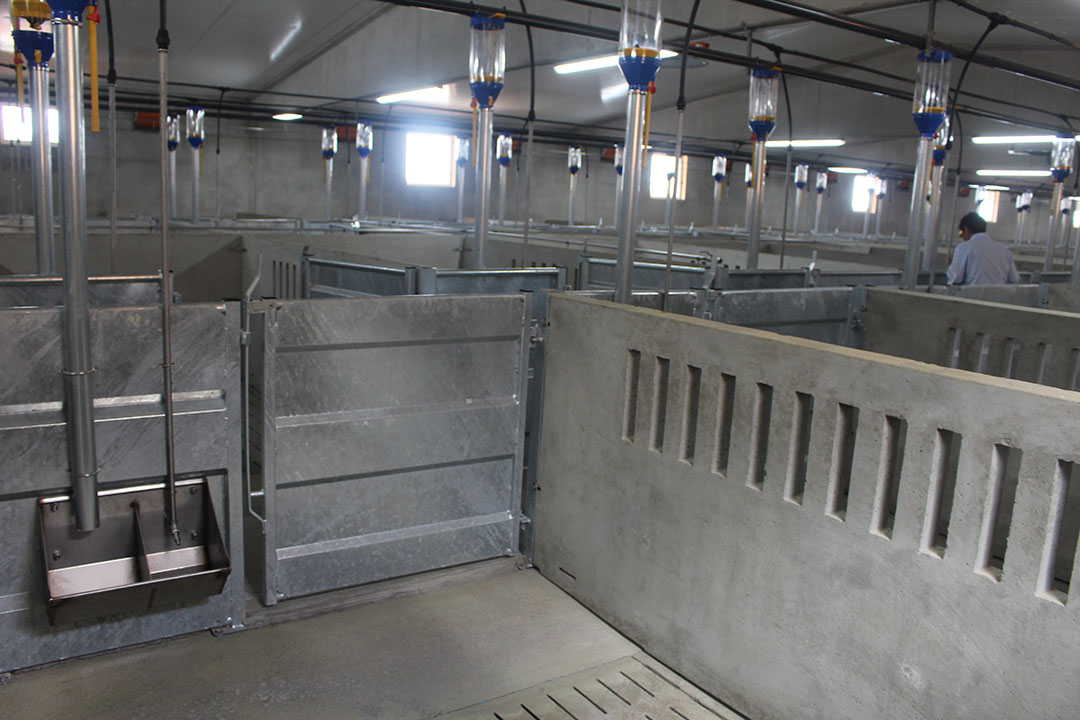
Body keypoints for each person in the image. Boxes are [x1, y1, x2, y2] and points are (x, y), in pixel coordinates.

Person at [946, 212, 1020, 285]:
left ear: (966, 230)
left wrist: (950, 269)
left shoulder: (963, 248)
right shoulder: (1004, 250)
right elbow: (1014, 279)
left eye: (962, 233)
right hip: (998, 295)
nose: (962, 237)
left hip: (970, 295)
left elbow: (955, 278)